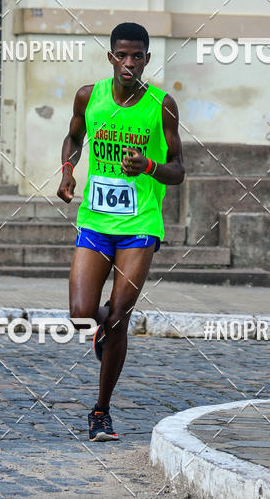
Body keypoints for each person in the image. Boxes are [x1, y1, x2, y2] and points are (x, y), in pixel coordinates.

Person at [56, 22, 185, 441]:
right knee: (81, 316)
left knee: (119, 318)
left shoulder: (161, 106)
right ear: (110, 57)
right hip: (95, 221)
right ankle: (99, 332)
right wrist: (67, 172)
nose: (129, 63)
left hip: (140, 226)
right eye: (121, 55)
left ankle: (100, 411)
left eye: (137, 56)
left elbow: (178, 171)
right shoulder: (87, 97)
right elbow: (73, 137)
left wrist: (147, 166)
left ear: (147, 59)